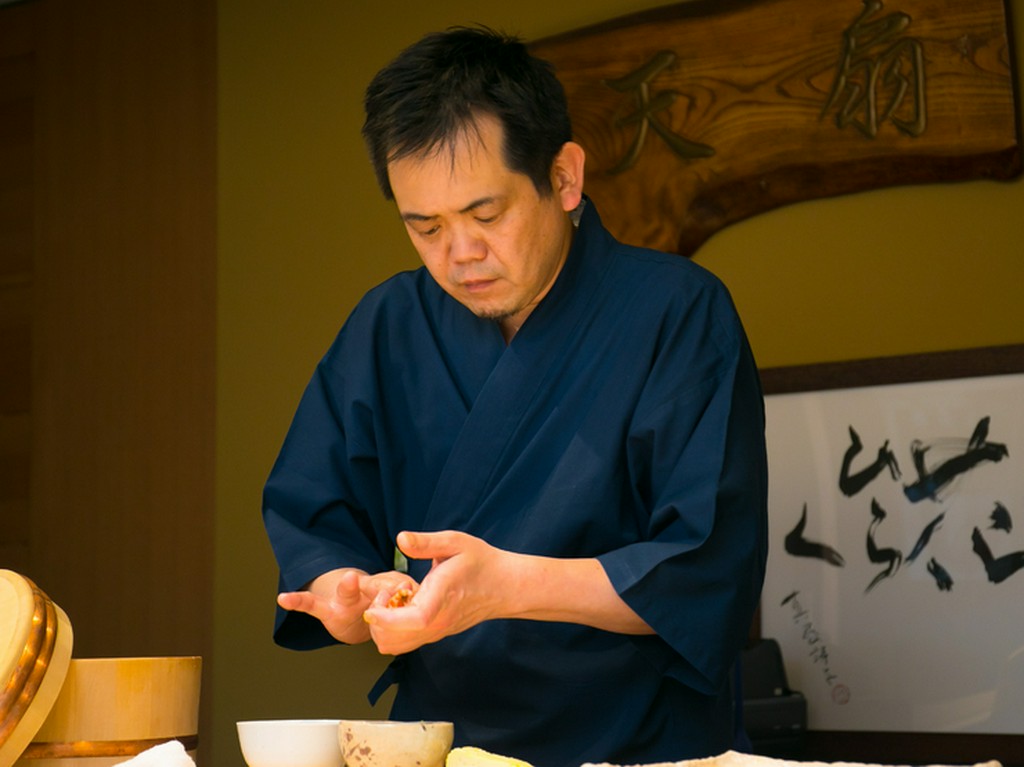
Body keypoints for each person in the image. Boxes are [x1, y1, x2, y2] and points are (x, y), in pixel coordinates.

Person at [263, 26, 768, 767]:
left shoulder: (676, 313)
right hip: (444, 744)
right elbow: (318, 512)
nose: (459, 255)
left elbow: (704, 564)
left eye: (485, 215)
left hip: (642, 742)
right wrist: (344, 589)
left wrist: (504, 585)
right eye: (424, 227)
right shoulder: (388, 327)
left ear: (564, 178)